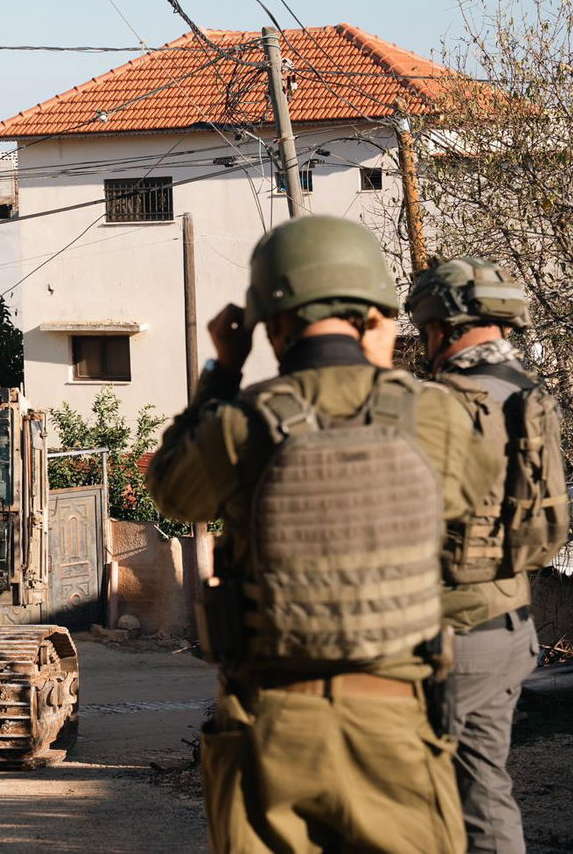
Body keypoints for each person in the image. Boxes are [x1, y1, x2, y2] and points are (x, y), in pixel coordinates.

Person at [145, 216, 494, 853]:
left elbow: (170, 489)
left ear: (270, 325)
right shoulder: (435, 414)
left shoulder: (239, 424)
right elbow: (468, 497)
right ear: (374, 314)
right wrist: (384, 373)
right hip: (401, 721)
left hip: (272, 725)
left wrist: (222, 373)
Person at [406, 257, 568, 854]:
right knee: (483, 792)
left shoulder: (444, 404)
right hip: (509, 627)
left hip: (451, 635)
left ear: (443, 325)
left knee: (410, 804)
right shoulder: (528, 395)